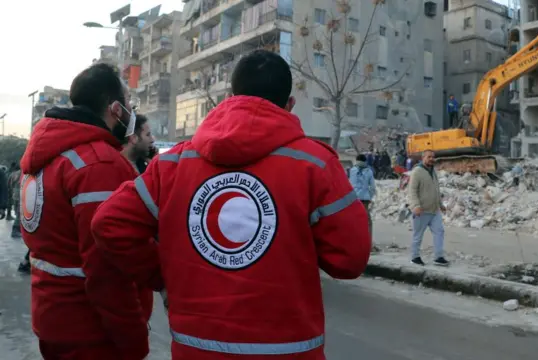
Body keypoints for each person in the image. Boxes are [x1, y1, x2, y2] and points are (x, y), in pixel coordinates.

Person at [91, 50, 371, 360]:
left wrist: (161, 275)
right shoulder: (315, 164)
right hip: (289, 350)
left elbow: (108, 223)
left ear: (231, 97)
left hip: (195, 349)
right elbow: (350, 260)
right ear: (289, 104)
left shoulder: (172, 163)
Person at [20, 62, 156, 360]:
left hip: (54, 317)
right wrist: (134, 339)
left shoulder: (46, 157)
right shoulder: (98, 163)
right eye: (130, 102)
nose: (133, 110)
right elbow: (107, 268)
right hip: (92, 332)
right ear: (115, 108)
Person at [408, 150, 449, 266]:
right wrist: (415, 206)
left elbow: (436, 189)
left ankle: (438, 257)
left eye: (433, 157)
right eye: (429, 157)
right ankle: (415, 257)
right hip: (421, 210)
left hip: (434, 210)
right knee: (418, 235)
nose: (431, 159)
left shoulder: (433, 171)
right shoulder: (417, 172)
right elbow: (412, 191)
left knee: (439, 232)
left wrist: (440, 204)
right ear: (423, 158)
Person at [349, 154, 376, 237]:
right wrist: (369, 196)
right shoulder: (369, 171)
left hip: (353, 199)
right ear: (365, 161)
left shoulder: (352, 170)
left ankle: (354, 238)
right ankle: (368, 240)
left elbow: (349, 184)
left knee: (354, 219)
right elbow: (373, 187)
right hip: (364, 199)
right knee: (367, 220)